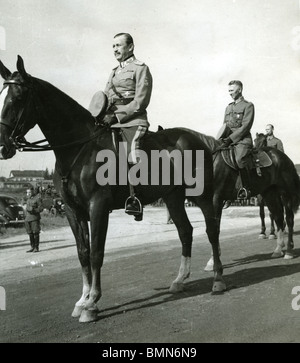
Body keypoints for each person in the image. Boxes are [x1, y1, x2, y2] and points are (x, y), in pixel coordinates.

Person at [90, 33, 153, 220]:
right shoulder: (114, 71)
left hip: (133, 121)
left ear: (130, 47)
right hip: (111, 120)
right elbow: (106, 97)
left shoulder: (141, 68)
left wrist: (118, 115)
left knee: (132, 153)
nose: (115, 49)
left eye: (118, 45)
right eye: (113, 46)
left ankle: (136, 198)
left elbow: (141, 101)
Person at [218, 80, 255, 201]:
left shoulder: (248, 105)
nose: (230, 93)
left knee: (239, 159)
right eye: (228, 91)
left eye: (232, 91)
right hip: (228, 139)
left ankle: (246, 188)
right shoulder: (228, 107)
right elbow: (225, 125)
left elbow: (246, 127)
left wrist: (231, 139)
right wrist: (220, 139)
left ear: (239, 90)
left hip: (242, 140)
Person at [25, 187, 43, 253]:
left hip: (34, 218)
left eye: (29, 192)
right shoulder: (27, 199)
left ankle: (36, 247)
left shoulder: (37, 198)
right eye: (27, 192)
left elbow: (41, 208)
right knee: (30, 233)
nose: (28, 194)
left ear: (33, 192)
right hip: (27, 219)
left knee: (35, 233)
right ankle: (32, 247)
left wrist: (33, 210)